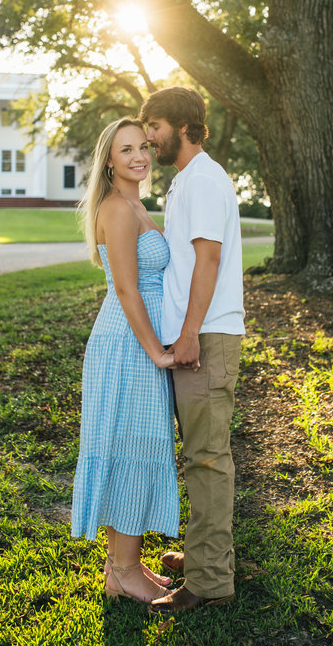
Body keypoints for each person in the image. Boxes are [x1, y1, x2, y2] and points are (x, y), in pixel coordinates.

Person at [139, 87, 245, 614]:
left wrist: (186, 334)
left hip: (205, 337)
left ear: (180, 125)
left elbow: (208, 262)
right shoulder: (187, 181)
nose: (147, 136)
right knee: (200, 455)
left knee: (206, 459)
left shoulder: (203, 179)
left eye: (152, 125)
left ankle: (209, 582)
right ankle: (207, 556)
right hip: (195, 333)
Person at [71, 117, 180, 604]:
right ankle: (126, 570)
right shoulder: (118, 208)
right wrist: (156, 349)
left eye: (142, 146)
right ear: (109, 161)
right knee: (133, 445)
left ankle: (122, 569)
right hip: (129, 345)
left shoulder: (136, 203)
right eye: (126, 149)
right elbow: (126, 288)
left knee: (130, 445)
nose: (139, 155)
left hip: (136, 341)